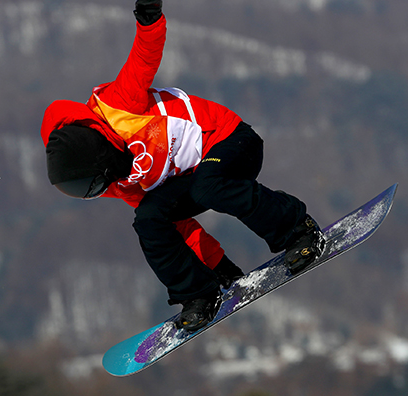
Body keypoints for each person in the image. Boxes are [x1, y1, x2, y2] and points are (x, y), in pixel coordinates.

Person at [41, 0, 325, 332]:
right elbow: (178, 225)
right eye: (86, 193)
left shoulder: (120, 105)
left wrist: (149, 18)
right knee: (149, 217)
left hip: (232, 142)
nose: (99, 192)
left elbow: (145, 56)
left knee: (211, 184)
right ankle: (198, 294)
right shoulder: (116, 182)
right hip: (196, 177)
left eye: (93, 185)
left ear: (98, 155)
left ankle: (299, 230)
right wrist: (220, 268)